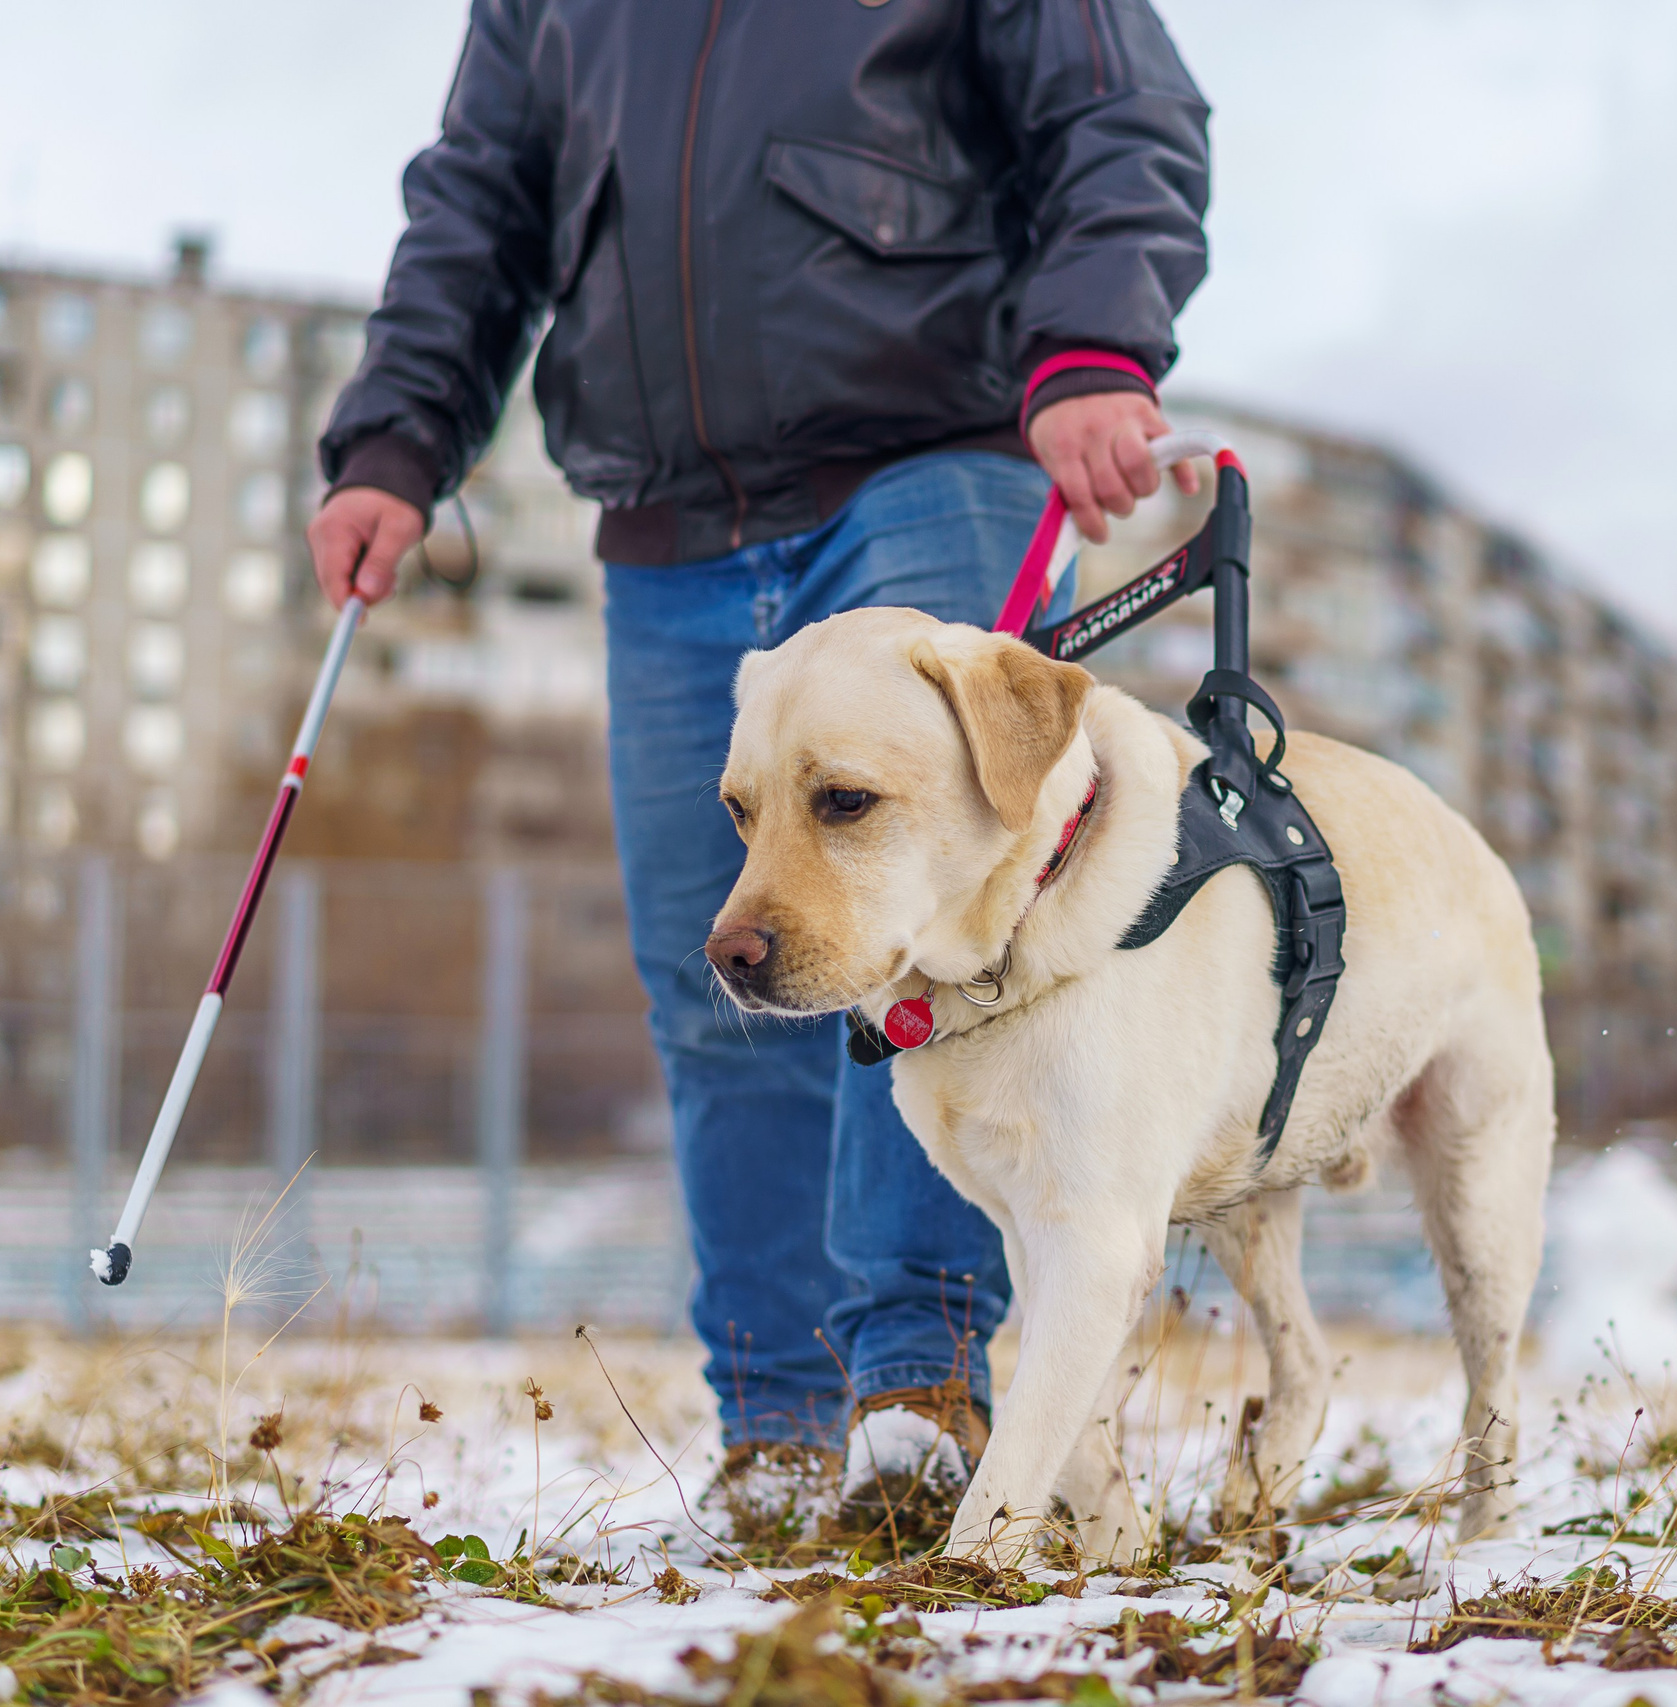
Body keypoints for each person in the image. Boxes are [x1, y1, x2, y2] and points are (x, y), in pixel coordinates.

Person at [306, 1, 1210, 1549]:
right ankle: (780, 1430)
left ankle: (917, 1396)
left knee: (943, 941)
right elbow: (480, 200)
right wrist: (395, 436)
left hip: (928, 453)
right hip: (667, 523)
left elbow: (1119, 114)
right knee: (731, 975)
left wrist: (1091, 342)